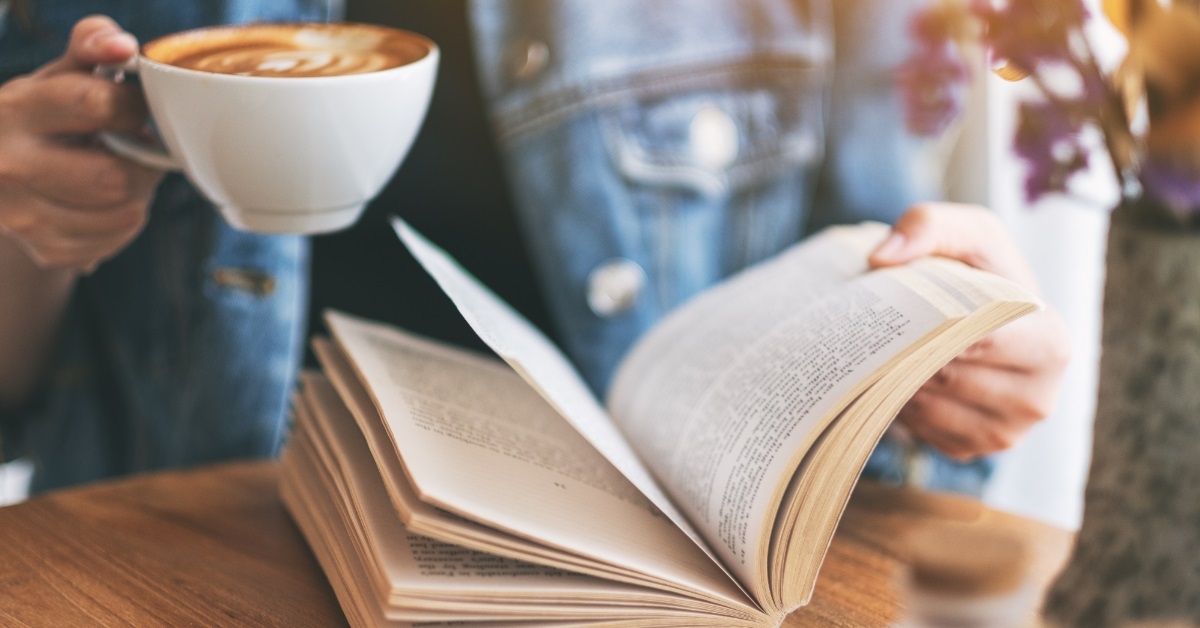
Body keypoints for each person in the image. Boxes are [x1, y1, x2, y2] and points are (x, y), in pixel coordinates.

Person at [0, 0, 1069, 495]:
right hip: (174, 569)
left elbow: (877, 287)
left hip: (634, 592)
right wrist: (23, 225)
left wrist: (945, 344)